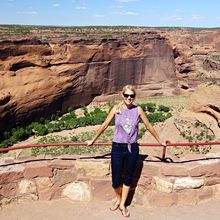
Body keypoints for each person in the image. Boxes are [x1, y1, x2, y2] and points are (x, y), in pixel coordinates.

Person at [87, 85, 166, 217]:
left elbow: (148, 125)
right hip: (117, 147)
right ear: (122, 95)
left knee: (128, 178)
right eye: (126, 95)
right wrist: (93, 140)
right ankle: (118, 198)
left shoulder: (138, 110)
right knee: (116, 180)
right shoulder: (116, 109)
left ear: (135, 97)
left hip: (132, 148)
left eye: (132, 96)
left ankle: (122, 203)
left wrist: (160, 141)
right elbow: (105, 125)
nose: (129, 98)